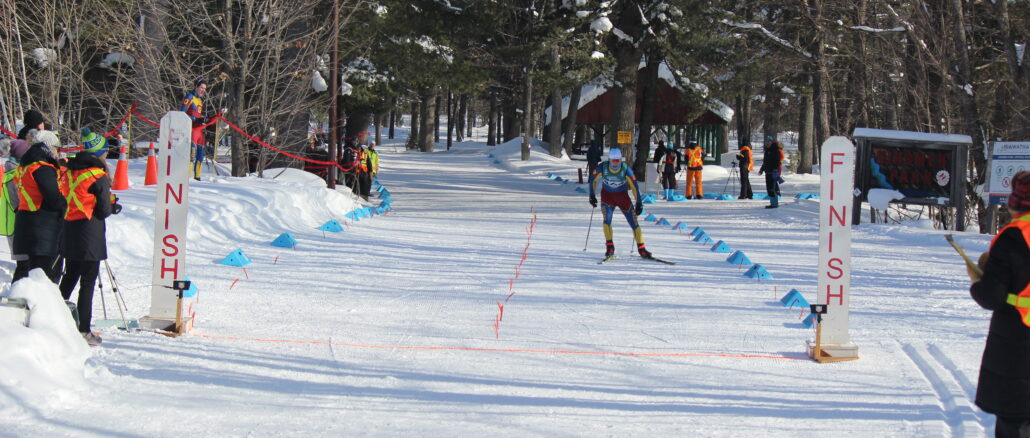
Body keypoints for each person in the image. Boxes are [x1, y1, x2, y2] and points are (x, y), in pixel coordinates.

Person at [969, 170, 1030, 437]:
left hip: (1018, 341)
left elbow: (991, 297)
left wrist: (977, 280)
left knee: (1015, 421)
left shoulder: (1013, 236)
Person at [59, 151, 121, 346]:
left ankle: (54, 318)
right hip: (90, 233)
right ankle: (84, 329)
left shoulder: (70, 173)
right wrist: (112, 206)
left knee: (69, 278)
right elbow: (103, 210)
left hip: (70, 229)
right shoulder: (98, 176)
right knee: (87, 283)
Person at [12, 129, 66, 282]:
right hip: (42, 230)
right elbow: (53, 199)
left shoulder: (24, 167)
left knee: (24, 276)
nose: (57, 154)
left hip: (25, 224)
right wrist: (66, 204)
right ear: (47, 148)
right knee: (42, 279)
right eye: (56, 149)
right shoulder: (43, 169)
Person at [588, 148, 652, 259]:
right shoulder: (603, 167)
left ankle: (642, 249)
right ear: (609, 160)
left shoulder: (625, 169)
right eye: (613, 161)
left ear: (620, 160)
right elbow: (592, 180)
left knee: (634, 222)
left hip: (622, 197)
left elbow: (634, 186)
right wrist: (592, 195)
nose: (615, 163)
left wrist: (639, 202)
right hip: (607, 197)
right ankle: (610, 247)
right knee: (606, 221)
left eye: (617, 161)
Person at [1, 140, 30, 276]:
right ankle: (17, 294)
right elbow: (19, 202)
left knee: (24, 266)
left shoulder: (11, 171)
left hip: (14, 225)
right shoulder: (14, 175)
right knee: (24, 268)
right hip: (18, 227)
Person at [181, 77, 208, 180]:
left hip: (199, 131)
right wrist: (194, 120)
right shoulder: (190, 97)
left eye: (204, 89)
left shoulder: (200, 100)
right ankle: (187, 177)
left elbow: (198, 114)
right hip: (191, 130)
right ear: (196, 87)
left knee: (200, 154)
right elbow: (182, 114)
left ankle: (197, 176)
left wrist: (205, 118)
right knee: (191, 154)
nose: (203, 90)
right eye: (201, 87)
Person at [758, 139, 782, 209]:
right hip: (767, 172)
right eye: (766, 142)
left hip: (773, 172)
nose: (767, 143)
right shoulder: (767, 150)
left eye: (768, 142)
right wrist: (761, 169)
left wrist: (775, 170)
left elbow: (777, 162)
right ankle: (772, 203)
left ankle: (774, 204)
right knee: (769, 188)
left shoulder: (774, 150)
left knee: (772, 188)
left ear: (772, 142)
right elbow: (765, 162)